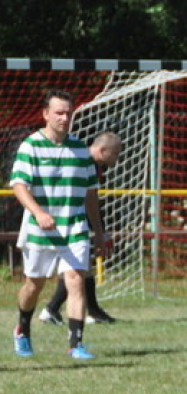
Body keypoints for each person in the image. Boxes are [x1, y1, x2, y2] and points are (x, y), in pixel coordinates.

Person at [10, 89, 106, 359]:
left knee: (76, 279)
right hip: (40, 230)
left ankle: (76, 344)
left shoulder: (80, 149)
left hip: (74, 227)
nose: (65, 118)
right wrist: (38, 212)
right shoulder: (31, 146)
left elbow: (90, 194)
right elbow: (18, 186)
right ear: (45, 114)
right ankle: (23, 329)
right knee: (34, 285)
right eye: (59, 113)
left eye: (68, 113)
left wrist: (98, 232)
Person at [39, 130, 122, 326]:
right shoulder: (83, 160)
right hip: (66, 222)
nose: (117, 158)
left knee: (82, 269)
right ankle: (51, 309)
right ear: (102, 150)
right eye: (116, 153)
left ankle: (90, 311)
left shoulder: (89, 162)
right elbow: (86, 198)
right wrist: (99, 231)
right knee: (76, 269)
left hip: (74, 222)